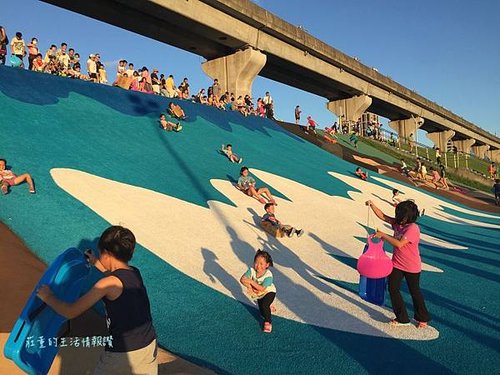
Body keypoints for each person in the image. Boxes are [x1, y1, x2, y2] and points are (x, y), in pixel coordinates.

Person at [37, 226, 158, 374]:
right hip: (148, 344)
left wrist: (47, 296)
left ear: (106, 254)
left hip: (123, 353)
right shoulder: (134, 272)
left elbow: (71, 311)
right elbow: (114, 276)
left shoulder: (106, 285)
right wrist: (95, 262)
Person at [365, 200, 431, 328]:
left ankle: (422, 317)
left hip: (412, 267)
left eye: (402, 217)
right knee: (393, 289)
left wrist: (383, 235)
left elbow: (399, 244)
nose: (398, 219)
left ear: (409, 217)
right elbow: (383, 216)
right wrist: (372, 205)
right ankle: (402, 317)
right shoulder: (398, 223)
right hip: (396, 264)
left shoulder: (412, 228)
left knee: (415, 292)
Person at [240, 250, 276, 333]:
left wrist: (251, 282)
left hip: (269, 292)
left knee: (264, 305)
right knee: (262, 312)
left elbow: (262, 288)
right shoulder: (252, 271)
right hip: (259, 294)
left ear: (267, 265)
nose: (258, 266)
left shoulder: (268, 275)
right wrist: (249, 286)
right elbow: (242, 279)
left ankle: (268, 322)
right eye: (256, 262)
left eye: (261, 264)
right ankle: (268, 306)